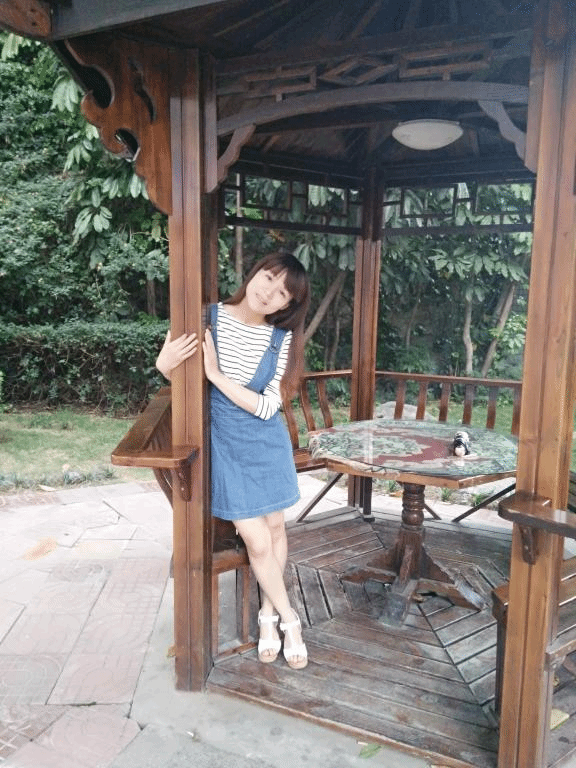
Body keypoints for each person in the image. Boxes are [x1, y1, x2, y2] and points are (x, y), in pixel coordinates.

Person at [156, 252, 311, 670]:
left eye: (283, 293)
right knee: (257, 540)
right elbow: (174, 371)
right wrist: (164, 364)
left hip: (266, 443)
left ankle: (267, 617)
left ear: (288, 305)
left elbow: (267, 406)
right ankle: (291, 620)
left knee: (276, 528)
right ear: (254, 272)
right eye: (269, 278)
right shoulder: (204, 317)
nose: (270, 292)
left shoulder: (281, 339)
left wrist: (217, 377)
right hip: (224, 445)